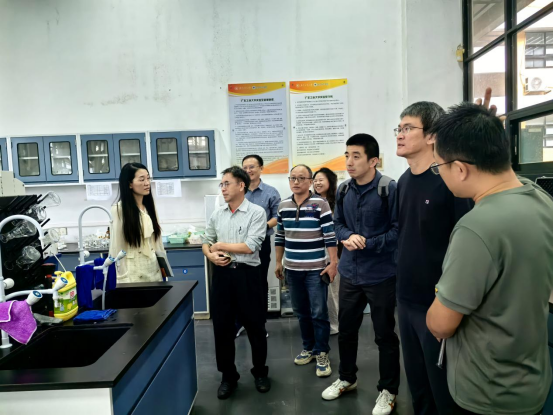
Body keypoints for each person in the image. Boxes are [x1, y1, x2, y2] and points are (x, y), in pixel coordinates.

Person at [426, 103, 553, 414]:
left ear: (460, 169)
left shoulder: (476, 227)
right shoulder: (540, 198)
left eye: (439, 167)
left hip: (487, 391)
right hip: (532, 380)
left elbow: (441, 324)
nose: (440, 175)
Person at [395, 102, 472, 414]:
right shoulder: (403, 181)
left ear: (431, 136)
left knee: (443, 389)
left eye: (408, 128)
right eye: (398, 128)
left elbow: (465, 245)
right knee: (417, 386)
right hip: (405, 299)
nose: (400, 134)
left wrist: (449, 299)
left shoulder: (449, 182)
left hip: (438, 302)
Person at [322, 133, 400, 415]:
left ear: (373, 160)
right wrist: (347, 236)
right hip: (350, 274)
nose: (349, 162)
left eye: (356, 156)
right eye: (347, 155)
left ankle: (388, 390)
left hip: (381, 275)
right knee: (346, 331)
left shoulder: (388, 188)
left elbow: (398, 230)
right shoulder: (344, 189)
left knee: (384, 336)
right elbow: (337, 223)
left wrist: (367, 242)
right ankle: (347, 378)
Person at [202, 166, 270, 399]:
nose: (223, 188)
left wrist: (220, 246)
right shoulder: (217, 214)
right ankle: (228, 376)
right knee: (222, 328)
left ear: (241, 185)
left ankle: (260, 372)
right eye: (221, 184)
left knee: (255, 326)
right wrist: (210, 255)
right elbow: (206, 240)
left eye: (227, 183)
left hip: (247, 275)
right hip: (222, 275)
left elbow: (251, 246)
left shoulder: (256, 213)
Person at [275, 164, 338, 377]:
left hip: (316, 269)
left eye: (301, 178)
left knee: (319, 312)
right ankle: (309, 348)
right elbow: (280, 236)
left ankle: (322, 352)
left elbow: (330, 235)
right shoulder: (283, 205)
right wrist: (278, 262)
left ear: (310, 181)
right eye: (293, 178)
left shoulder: (320, 204)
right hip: (292, 269)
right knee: (301, 312)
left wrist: (333, 263)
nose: (296, 182)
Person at [235, 154, 281, 338]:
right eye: (245, 167)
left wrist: (261, 227)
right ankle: (240, 323)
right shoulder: (238, 190)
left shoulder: (271, 192)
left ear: (261, 168)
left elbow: (278, 216)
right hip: (238, 244)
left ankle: (259, 325)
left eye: (252, 167)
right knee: (239, 284)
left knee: (259, 283)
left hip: (261, 245)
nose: (248, 170)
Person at [109, 162, 168, 283]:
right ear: (130, 184)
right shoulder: (119, 210)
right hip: (132, 272)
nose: (147, 183)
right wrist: (120, 277)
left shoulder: (149, 208)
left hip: (153, 269)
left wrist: (164, 268)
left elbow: (157, 241)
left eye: (148, 178)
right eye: (141, 179)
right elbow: (116, 246)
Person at [313, 167, 340, 335]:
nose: (317, 183)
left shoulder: (338, 202)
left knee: (332, 290)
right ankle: (319, 324)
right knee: (316, 290)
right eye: (315, 180)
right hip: (314, 250)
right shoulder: (309, 201)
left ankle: (334, 324)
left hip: (333, 250)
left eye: (321, 179)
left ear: (330, 181)